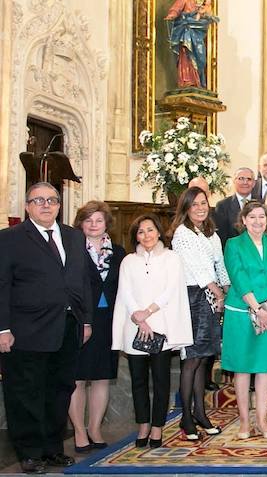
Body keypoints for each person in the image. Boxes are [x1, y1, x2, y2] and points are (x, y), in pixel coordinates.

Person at [0, 183, 92, 473]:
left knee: (60, 390)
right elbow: (1, 285)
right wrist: (2, 328)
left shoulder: (74, 236)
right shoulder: (10, 238)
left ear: (59, 206)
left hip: (67, 326)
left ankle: (53, 448)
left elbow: (82, 280)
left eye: (52, 200)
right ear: (27, 206)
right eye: (38, 200)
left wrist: (85, 320)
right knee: (26, 393)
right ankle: (29, 452)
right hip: (25, 330)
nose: (46, 205)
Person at [112, 214, 192, 450]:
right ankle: (143, 425)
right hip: (135, 326)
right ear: (135, 236)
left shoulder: (171, 258)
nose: (146, 235)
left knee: (160, 380)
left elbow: (171, 290)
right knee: (138, 381)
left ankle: (157, 426)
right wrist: (138, 316)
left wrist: (148, 312)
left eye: (150, 230)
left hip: (161, 325)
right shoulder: (128, 261)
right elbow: (125, 291)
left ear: (158, 232)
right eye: (140, 231)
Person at [222, 201, 267, 440]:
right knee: (242, 368)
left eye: (262, 216)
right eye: (252, 217)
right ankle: (244, 422)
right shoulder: (233, 244)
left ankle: (261, 421)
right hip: (242, 312)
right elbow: (238, 277)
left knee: (265, 368)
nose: (258, 221)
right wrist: (257, 309)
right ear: (244, 220)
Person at [170, 187, 231, 440]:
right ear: (185, 208)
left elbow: (219, 263)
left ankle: (200, 413)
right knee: (192, 358)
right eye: (194, 204)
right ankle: (186, 417)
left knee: (204, 358)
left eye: (203, 203)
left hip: (212, 296)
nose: (200, 208)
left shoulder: (210, 233)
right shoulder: (182, 233)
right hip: (194, 296)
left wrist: (226, 287)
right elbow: (197, 268)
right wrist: (218, 293)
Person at [68, 201, 125, 453]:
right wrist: (82, 319)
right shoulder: (71, 249)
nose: (93, 225)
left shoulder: (119, 252)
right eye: (88, 220)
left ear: (106, 224)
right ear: (80, 223)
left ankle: (94, 428)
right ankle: (79, 431)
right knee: (78, 378)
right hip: (81, 320)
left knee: (102, 377)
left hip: (108, 321)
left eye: (98, 220)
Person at [164, 0, 217, 88]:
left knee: (200, 55)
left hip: (197, 30)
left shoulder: (198, 1)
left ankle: (198, 80)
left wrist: (207, 15)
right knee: (186, 52)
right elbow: (176, 9)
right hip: (187, 29)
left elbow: (204, 13)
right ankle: (187, 79)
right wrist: (172, 15)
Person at [214, 167, 256, 244]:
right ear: (234, 181)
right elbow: (221, 236)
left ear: (254, 183)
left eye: (249, 179)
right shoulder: (222, 206)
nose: (245, 182)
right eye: (241, 179)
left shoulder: (261, 204)